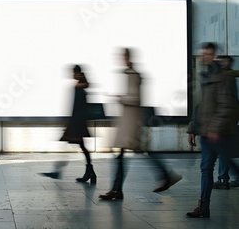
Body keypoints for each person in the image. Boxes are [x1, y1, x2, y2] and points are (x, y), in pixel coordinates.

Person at [99, 48, 182, 200]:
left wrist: (120, 97)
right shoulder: (131, 74)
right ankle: (118, 189)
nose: (120, 60)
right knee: (135, 153)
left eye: (122, 57)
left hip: (131, 122)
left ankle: (118, 189)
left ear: (126, 58)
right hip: (131, 121)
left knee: (130, 154)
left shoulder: (132, 75)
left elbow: (134, 98)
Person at [186, 43, 238, 218]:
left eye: (209, 54)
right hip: (207, 132)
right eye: (203, 54)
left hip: (219, 133)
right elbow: (201, 106)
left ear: (214, 55)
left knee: (229, 166)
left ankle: (203, 205)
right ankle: (203, 206)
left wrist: (215, 129)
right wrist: (192, 128)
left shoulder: (224, 77)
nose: (205, 57)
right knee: (206, 169)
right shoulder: (206, 76)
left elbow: (227, 106)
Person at [41, 65, 96, 183]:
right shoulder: (81, 87)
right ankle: (90, 172)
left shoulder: (78, 88)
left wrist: (71, 124)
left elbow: (76, 107)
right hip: (77, 122)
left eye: (74, 73)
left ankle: (59, 171)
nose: (72, 75)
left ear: (78, 73)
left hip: (76, 122)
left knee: (73, 145)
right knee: (81, 146)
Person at [213, 55, 239, 189]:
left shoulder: (227, 77)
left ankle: (223, 179)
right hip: (229, 120)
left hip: (226, 121)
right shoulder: (228, 76)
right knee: (226, 151)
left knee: (224, 151)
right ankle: (224, 178)